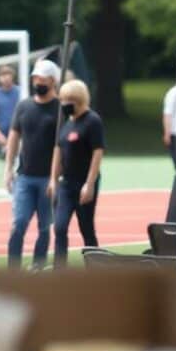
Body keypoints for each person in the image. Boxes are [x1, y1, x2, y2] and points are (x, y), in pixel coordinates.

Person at [4, 61, 63, 271]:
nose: (38, 82)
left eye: (43, 78)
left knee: (44, 227)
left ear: (53, 81)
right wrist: (8, 169)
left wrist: (56, 177)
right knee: (19, 222)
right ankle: (13, 269)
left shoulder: (60, 109)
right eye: (35, 78)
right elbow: (14, 137)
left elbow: (62, 145)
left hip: (48, 178)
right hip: (25, 177)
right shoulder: (24, 106)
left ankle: (38, 265)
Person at [49, 78, 106, 266]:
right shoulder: (66, 122)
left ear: (80, 100)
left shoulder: (92, 121)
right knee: (59, 226)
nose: (65, 104)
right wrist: (53, 180)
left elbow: (98, 152)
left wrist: (89, 184)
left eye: (69, 100)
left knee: (86, 227)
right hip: (66, 184)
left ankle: (96, 265)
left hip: (84, 182)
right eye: (63, 99)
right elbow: (58, 150)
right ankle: (60, 268)